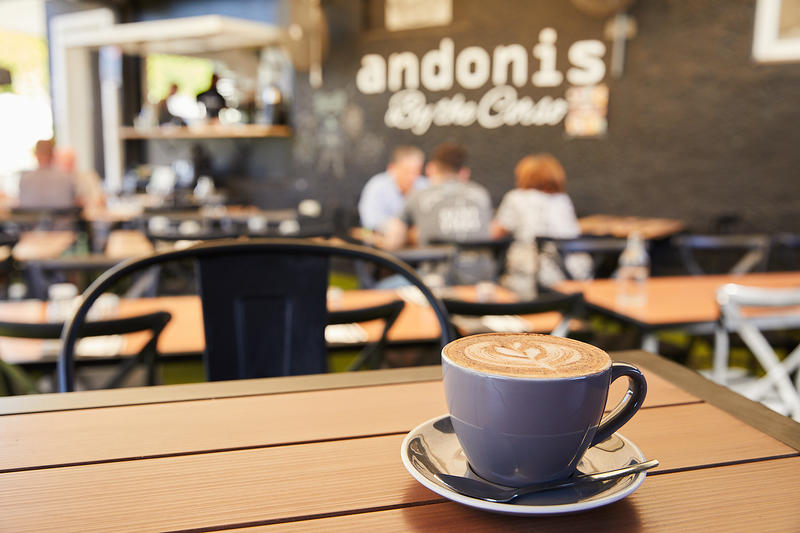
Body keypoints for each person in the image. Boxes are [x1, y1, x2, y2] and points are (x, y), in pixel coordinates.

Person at [385, 143, 494, 284]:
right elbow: (489, 232)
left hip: (435, 282)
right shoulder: (482, 195)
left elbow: (394, 241)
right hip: (482, 282)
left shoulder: (419, 196)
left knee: (379, 288)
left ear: (431, 168)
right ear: (463, 172)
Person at [490, 153, 590, 294]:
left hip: (531, 276)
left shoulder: (516, 197)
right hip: (572, 275)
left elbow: (494, 233)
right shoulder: (563, 200)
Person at [358, 146, 427, 232]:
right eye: (407, 171)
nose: (412, 177)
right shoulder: (377, 186)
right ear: (392, 168)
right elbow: (370, 221)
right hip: (380, 238)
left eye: (417, 171)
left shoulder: (425, 185)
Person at [18, 139, 78, 209]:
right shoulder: (66, 178)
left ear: (35, 154)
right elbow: (74, 202)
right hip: (61, 216)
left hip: (31, 216)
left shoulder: (25, 179)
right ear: (53, 155)